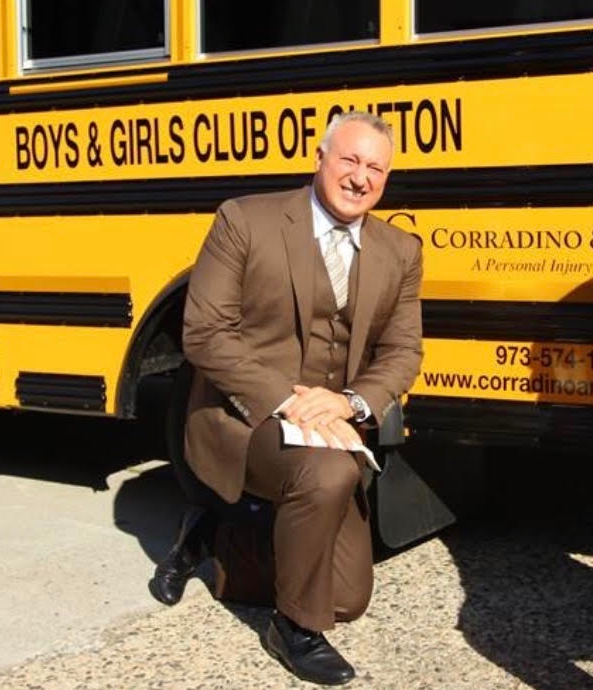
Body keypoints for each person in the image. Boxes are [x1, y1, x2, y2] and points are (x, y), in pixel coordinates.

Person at [152, 111, 423, 685]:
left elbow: (404, 353)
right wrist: (286, 400)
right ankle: (294, 629)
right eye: (349, 159)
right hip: (244, 419)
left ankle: (217, 536)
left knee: (348, 598)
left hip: (331, 420)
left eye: (376, 168)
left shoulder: (400, 250)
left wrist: (350, 402)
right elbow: (204, 332)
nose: (360, 177)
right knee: (328, 476)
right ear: (319, 157)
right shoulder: (245, 221)